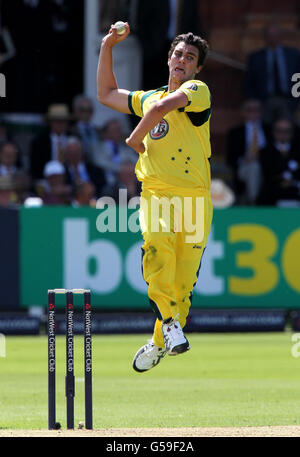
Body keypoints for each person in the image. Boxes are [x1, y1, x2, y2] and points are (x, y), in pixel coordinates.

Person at [97, 24, 213, 372]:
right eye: (178, 54)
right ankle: (171, 325)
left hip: (194, 199)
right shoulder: (148, 97)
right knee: (156, 249)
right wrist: (106, 46)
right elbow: (106, 93)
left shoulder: (198, 90)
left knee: (183, 285)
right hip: (158, 194)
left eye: (189, 58)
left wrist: (134, 138)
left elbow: (166, 107)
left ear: (196, 68)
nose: (182, 60)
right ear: (168, 58)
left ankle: (160, 340)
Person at [245, 23, 300, 123]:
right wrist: (253, 100)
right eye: (269, 36)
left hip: (288, 100)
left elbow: (298, 77)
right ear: (265, 38)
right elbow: (249, 81)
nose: (273, 38)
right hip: (265, 101)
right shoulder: (256, 57)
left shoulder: (293, 55)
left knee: (286, 128)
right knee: (265, 130)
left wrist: (295, 100)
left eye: (275, 35)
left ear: (280, 36)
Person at [226, 99, 270, 204]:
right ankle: (254, 201)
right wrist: (244, 160)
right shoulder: (235, 132)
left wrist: (260, 158)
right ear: (243, 112)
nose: (254, 113)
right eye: (250, 110)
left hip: (267, 167)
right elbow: (230, 158)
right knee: (254, 168)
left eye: (257, 110)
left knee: (257, 167)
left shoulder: (269, 129)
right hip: (243, 167)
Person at [258, 118, 300, 206]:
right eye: (279, 130)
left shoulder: (298, 150)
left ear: (292, 132)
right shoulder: (265, 151)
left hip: (296, 189)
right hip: (273, 191)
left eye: (287, 131)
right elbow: (268, 173)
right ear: (273, 132)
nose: (283, 134)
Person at [30, 104, 72, 180]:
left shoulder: (74, 139)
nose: (60, 124)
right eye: (57, 121)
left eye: (63, 121)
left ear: (67, 122)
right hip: (46, 180)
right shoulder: (39, 141)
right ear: (50, 122)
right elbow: (35, 168)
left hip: (69, 180)